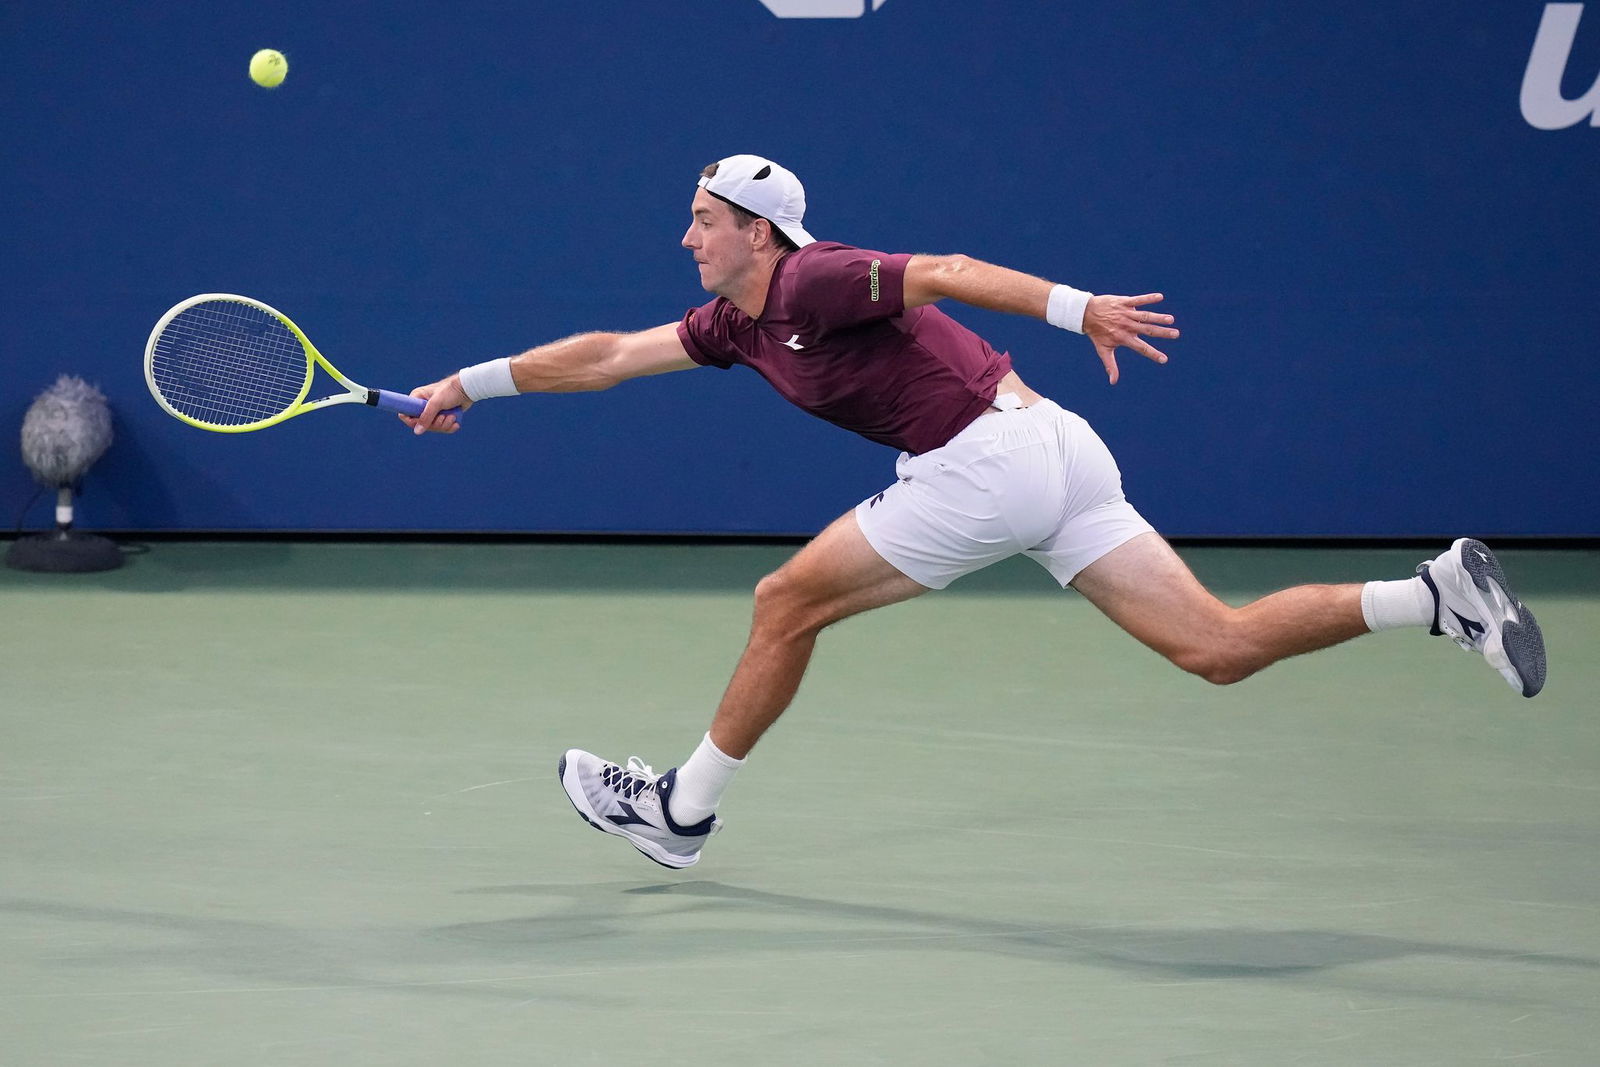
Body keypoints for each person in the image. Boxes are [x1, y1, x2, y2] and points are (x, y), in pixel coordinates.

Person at [402, 154, 1548, 870]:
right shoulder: (735, 325)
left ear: (760, 230)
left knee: (783, 602)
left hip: (992, 457)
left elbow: (943, 267)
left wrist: (1076, 305)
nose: (687, 235)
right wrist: (470, 382)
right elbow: (602, 357)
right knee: (1216, 646)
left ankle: (681, 812)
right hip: (1052, 453)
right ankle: (1431, 594)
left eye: (704, 218)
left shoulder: (809, 276)